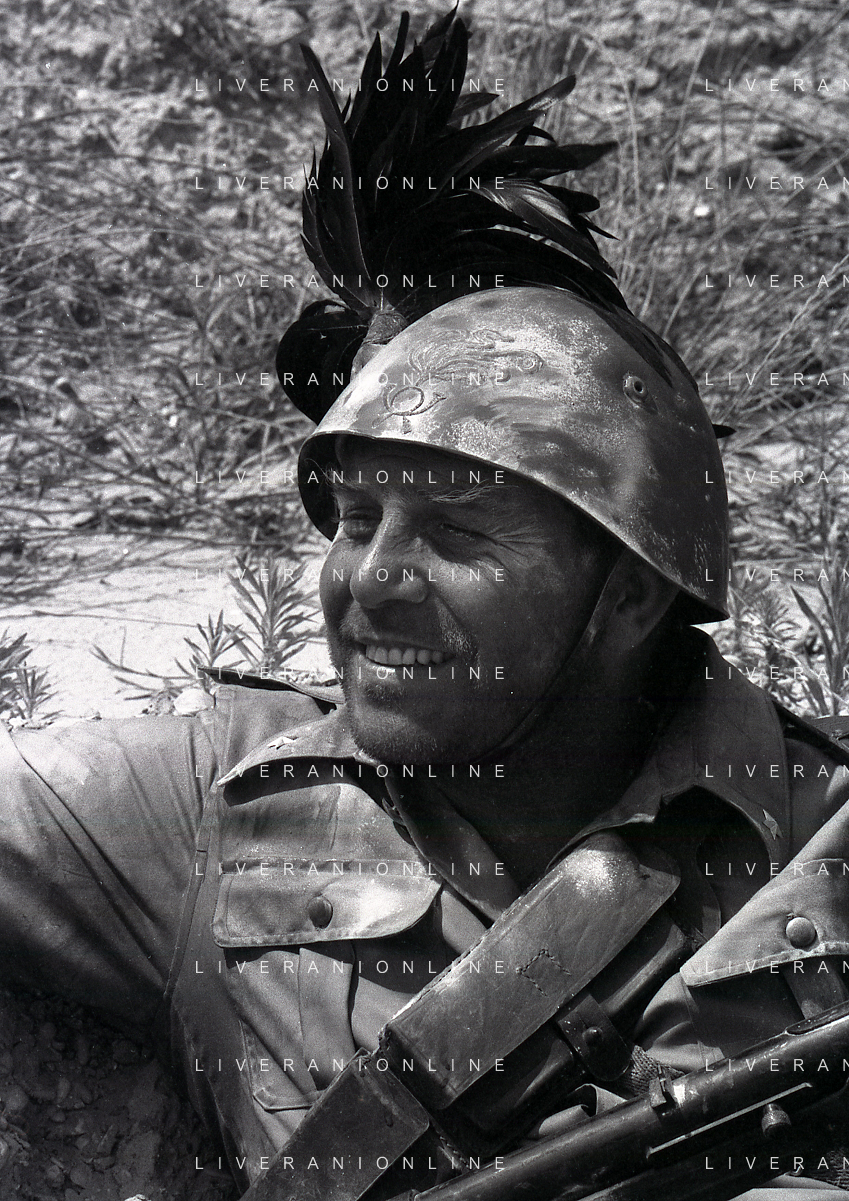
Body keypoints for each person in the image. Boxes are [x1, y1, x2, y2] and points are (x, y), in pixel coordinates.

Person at [2, 10, 849, 1200]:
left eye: (455, 532)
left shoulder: (814, 835)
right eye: (354, 520)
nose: (370, 580)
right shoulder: (208, 810)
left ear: (629, 591)